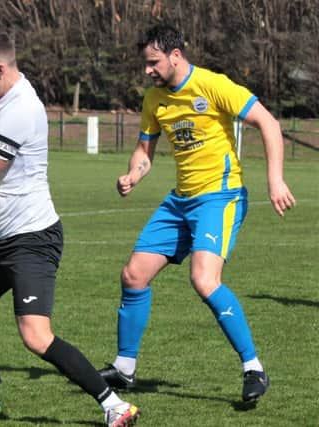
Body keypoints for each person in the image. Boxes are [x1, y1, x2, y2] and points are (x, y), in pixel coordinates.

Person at [0, 29, 140, 427]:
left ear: (1, 68)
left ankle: (114, 404)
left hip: (32, 237)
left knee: (36, 336)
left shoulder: (21, 108)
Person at [98, 24, 296, 402]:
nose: (148, 70)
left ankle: (253, 368)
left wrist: (276, 181)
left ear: (175, 55)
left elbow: (268, 123)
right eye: (145, 64)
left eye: (153, 62)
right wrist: (133, 174)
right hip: (180, 200)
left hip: (219, 197)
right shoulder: (154, 99)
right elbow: (144, 151)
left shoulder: (212, 85)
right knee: (133, 275)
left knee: (204, 280)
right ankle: (124, 368)